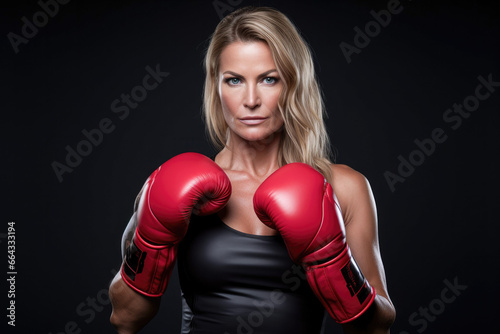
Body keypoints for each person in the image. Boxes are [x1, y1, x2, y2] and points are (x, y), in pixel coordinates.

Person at [109, 6, 396, 334]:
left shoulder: (343, 187)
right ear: (216, 88)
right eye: (234, 80)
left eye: (268, 79)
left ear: (293, 85)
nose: (250, 99)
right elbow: (125, 318)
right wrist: (150, 240)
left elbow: (377, 326)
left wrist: (334, 265)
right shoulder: (169, 184)